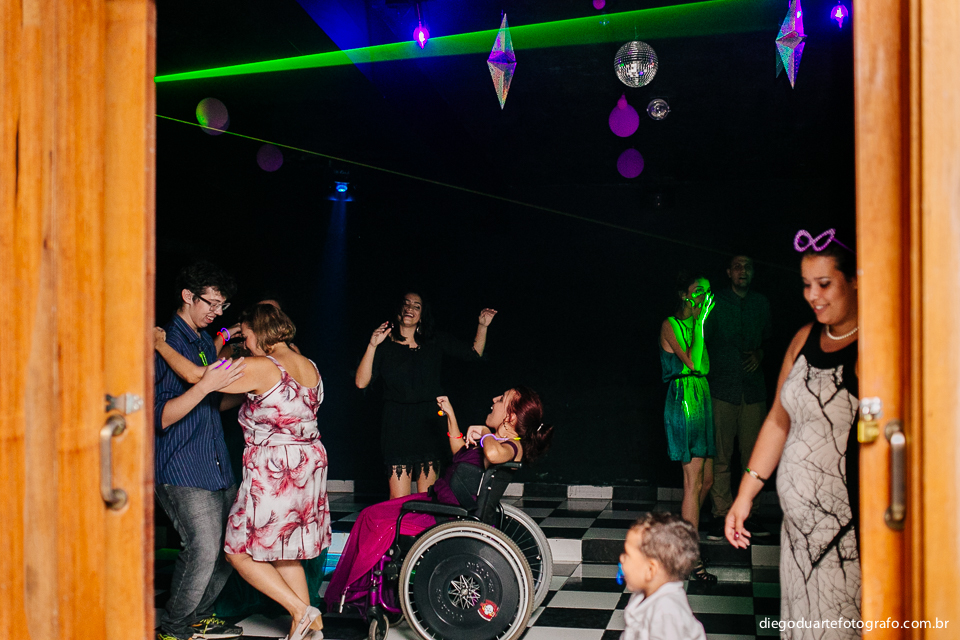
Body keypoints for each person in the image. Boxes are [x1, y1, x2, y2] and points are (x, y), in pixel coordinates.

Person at [156, 303, 330, 640]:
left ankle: (302, 612)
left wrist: (160, 344)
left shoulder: (262, 366)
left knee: (236, 551)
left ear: (260, 333)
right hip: (307, 467)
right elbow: (225, 400)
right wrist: (228, 338)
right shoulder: (308, 365)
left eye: (247, 336)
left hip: (275, 472)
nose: (245, 343)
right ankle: (310, 630)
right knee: (285, 552)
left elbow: (197, 376)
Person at [726, 229, 860, 638]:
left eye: (824, 284)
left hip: (846, 536)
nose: (813, 295)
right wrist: (744, 497)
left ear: (855, 280)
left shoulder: (877, 344)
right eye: (806, 285)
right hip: (798, 534)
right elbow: (778, 421)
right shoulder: (803, 339)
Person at [324, 386, 554, 610]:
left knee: (373, 520)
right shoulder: (499, 442)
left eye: (502, 399)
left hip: (443, 516)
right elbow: (460, 454)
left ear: (510, 417)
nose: (494, 399)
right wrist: (451, 415)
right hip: (437, 505)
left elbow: (493, 454)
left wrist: (485, 433)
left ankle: (360, 595)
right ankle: (366, 593)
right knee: (370, 514)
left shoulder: (512, 446)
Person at [154, 261, 247, 640]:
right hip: (182, 468)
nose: (216, 312)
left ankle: (199, 614)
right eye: (210, 304)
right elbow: (160, 417)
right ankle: (172, 629)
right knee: (202, 550)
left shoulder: (201, 342)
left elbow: (210, 403)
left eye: (222, 307)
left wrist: (249, 395)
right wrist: (207, 386)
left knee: (228, 547)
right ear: (187, 296)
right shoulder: (165, 343)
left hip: (215, 465)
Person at [355, 291, 497, 498]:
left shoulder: (434, 341)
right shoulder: (384, 345)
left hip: (428, 423)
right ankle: (401, 531)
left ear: (422, 315)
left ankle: (426, 531)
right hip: (397, 425)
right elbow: (361, 382)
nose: (410, 308)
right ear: (399, 311)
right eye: (406, 304)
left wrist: (483, 326)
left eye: (416, 306)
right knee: (398, 500)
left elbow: (474, 353)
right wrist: (372, 345)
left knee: (428, 497)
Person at [704, 255, 772, 540]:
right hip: (722, 387)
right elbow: (701, 338)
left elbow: (769, 340)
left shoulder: (761, 303)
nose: (742, 271)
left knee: (753, 456)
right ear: (728, 272)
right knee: (721, 455)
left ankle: (750, 514)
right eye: (737, 266)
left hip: (753, 389)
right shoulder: (716, 302)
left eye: (748, 266)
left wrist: (760, 353)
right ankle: (721, 514)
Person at [659, 271, 717, 582]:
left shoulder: (697, 326)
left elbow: (705, 367)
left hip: (701, 395)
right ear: (684, 295)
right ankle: (690, 560)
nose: (702, 299)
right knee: (692, 482)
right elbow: (693, 363)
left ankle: (683, 532)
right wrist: (700, 322)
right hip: (683, 397)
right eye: (697, 292)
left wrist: (700, 325)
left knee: (706, 480)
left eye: (706, 293)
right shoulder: (671, 324)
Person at [619, 512, 706, 640]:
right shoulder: (644, 595)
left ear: (650, 570)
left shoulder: (667, 612)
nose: (621, 558)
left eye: (627, 555)